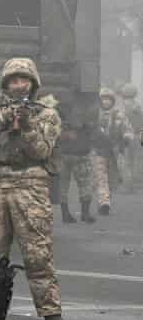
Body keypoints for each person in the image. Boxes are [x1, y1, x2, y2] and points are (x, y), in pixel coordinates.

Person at [0, 57, 63, 320]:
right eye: (13, 81)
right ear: (5, 85)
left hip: (31, 187)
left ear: (33, 84)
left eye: (23, 80)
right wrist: (4, 118)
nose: (18, 85)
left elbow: (42, 151)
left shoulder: (47, 115)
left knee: (37, 255)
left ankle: (51, 315)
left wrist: (26, 126)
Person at [91, 87, 133, 215]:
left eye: (109, 99)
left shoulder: (118, 115)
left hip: (114, 152)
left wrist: (127, 137)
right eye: (103, 99)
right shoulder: (94, 114)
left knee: (112, 179)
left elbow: (127, 128)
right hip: (98, 150)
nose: (106, 101)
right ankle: (104, 202)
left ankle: (107, 197)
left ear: (112, 101)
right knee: (101, 177)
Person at [57, 103, 96, 224]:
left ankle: (65, 214)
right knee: (85, 183)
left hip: (63, 154)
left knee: (63, 185)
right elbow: (92, 130)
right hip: (80, 154)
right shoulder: (85, 109)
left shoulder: (60, 111)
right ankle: (85, 213)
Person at [119, 83, 142, 192]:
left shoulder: (123, 106)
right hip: (137, 136)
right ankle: (136, 184)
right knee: (136, 160)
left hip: (127, 136)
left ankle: (128, 185)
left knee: (126, 161)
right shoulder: (138, 106)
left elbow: (121, 123)